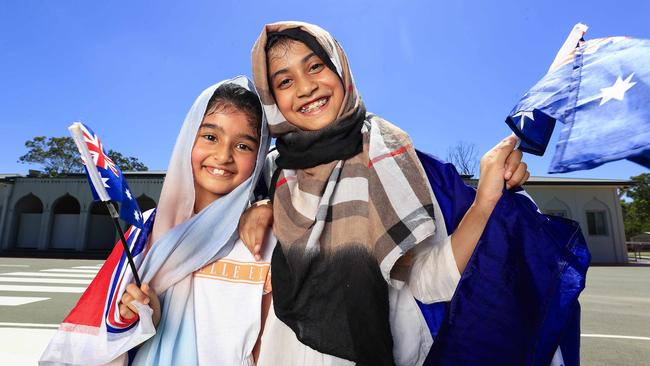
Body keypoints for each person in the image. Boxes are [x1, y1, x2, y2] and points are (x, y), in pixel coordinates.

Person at [236, 22, 531, 366]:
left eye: (315, 66)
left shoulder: (389, 153)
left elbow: (426, 279)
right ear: (271, 98)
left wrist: (484, 203)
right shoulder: (271, 173)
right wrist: (259, 203)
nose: (305, 87)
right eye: (284, 81)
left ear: (339, 66)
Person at [40, 76, 273, 366]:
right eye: (210, 137)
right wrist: (136, 318)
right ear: (188, 138)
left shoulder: (261, 238)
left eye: (243, 146)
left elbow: (270, 346)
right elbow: (104, 328)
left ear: (260, 154)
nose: (223, 155)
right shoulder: (147, 229)